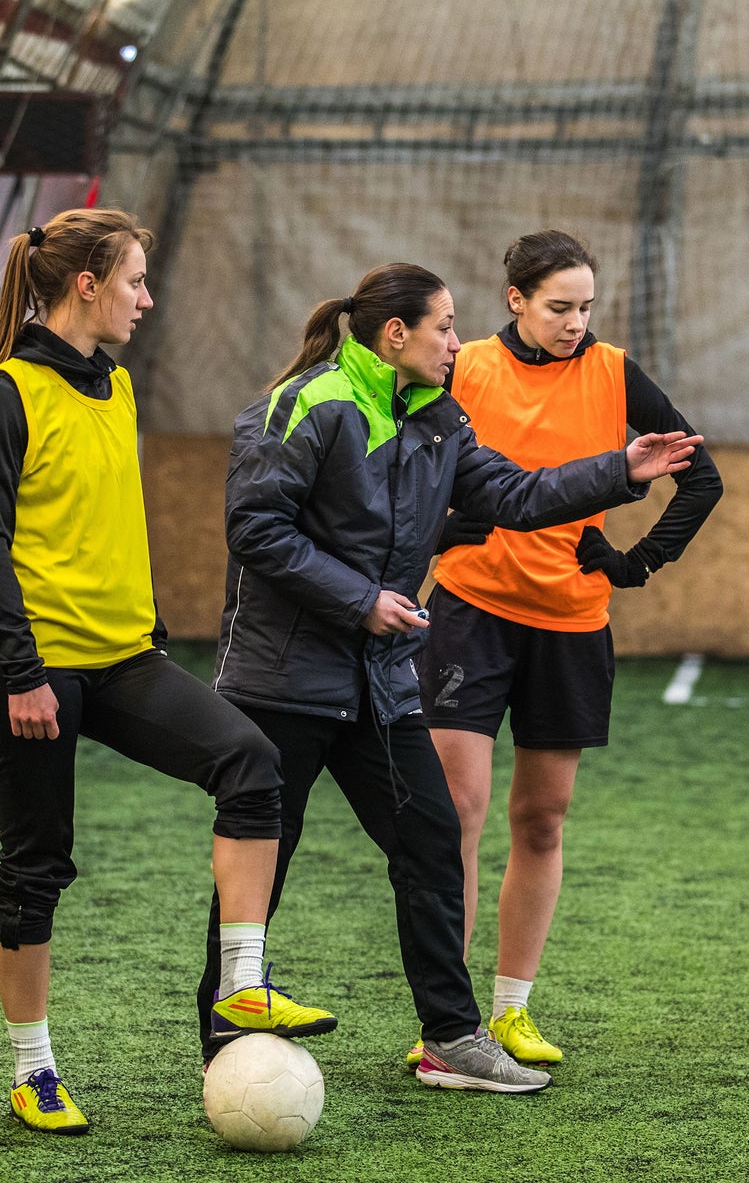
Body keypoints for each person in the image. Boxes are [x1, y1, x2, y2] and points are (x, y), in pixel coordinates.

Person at [195, 262, 703, 1092]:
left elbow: (516, 492)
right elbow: (255, 529)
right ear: (396, 335)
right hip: (282, 681)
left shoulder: (439, 419)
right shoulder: (306, 403)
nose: (456, 343)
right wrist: (363, 602)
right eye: (443, 326)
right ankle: (223, 1039)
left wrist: (621, 469)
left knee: (430, 841)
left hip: (383, 684)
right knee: (262, 857)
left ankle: (451, 1037)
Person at [0, 208, 332, 1136]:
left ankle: (244, 983)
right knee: (36, 865)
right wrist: (22, 671)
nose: (146, 298)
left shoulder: (116, 386)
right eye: (134, 280)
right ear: (85, 284)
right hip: (29, 671)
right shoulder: (4, 393)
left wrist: (153, 633)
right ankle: (33, 1069)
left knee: (252, 765)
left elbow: (108, 518)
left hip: (126, 658)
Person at [417, 230, 723, 1068]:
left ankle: (514, 1008)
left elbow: (702, 475)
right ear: (514, 299)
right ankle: (451, 1018)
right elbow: (407, 465)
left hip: (571, 625)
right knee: (458, 814)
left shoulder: (615, 370)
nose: (576, 322)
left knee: (541, 819)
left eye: (587, 306)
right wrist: (440, 533)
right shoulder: (464, 365)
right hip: (469, 615)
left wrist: (634, 564)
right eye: (559, 306)